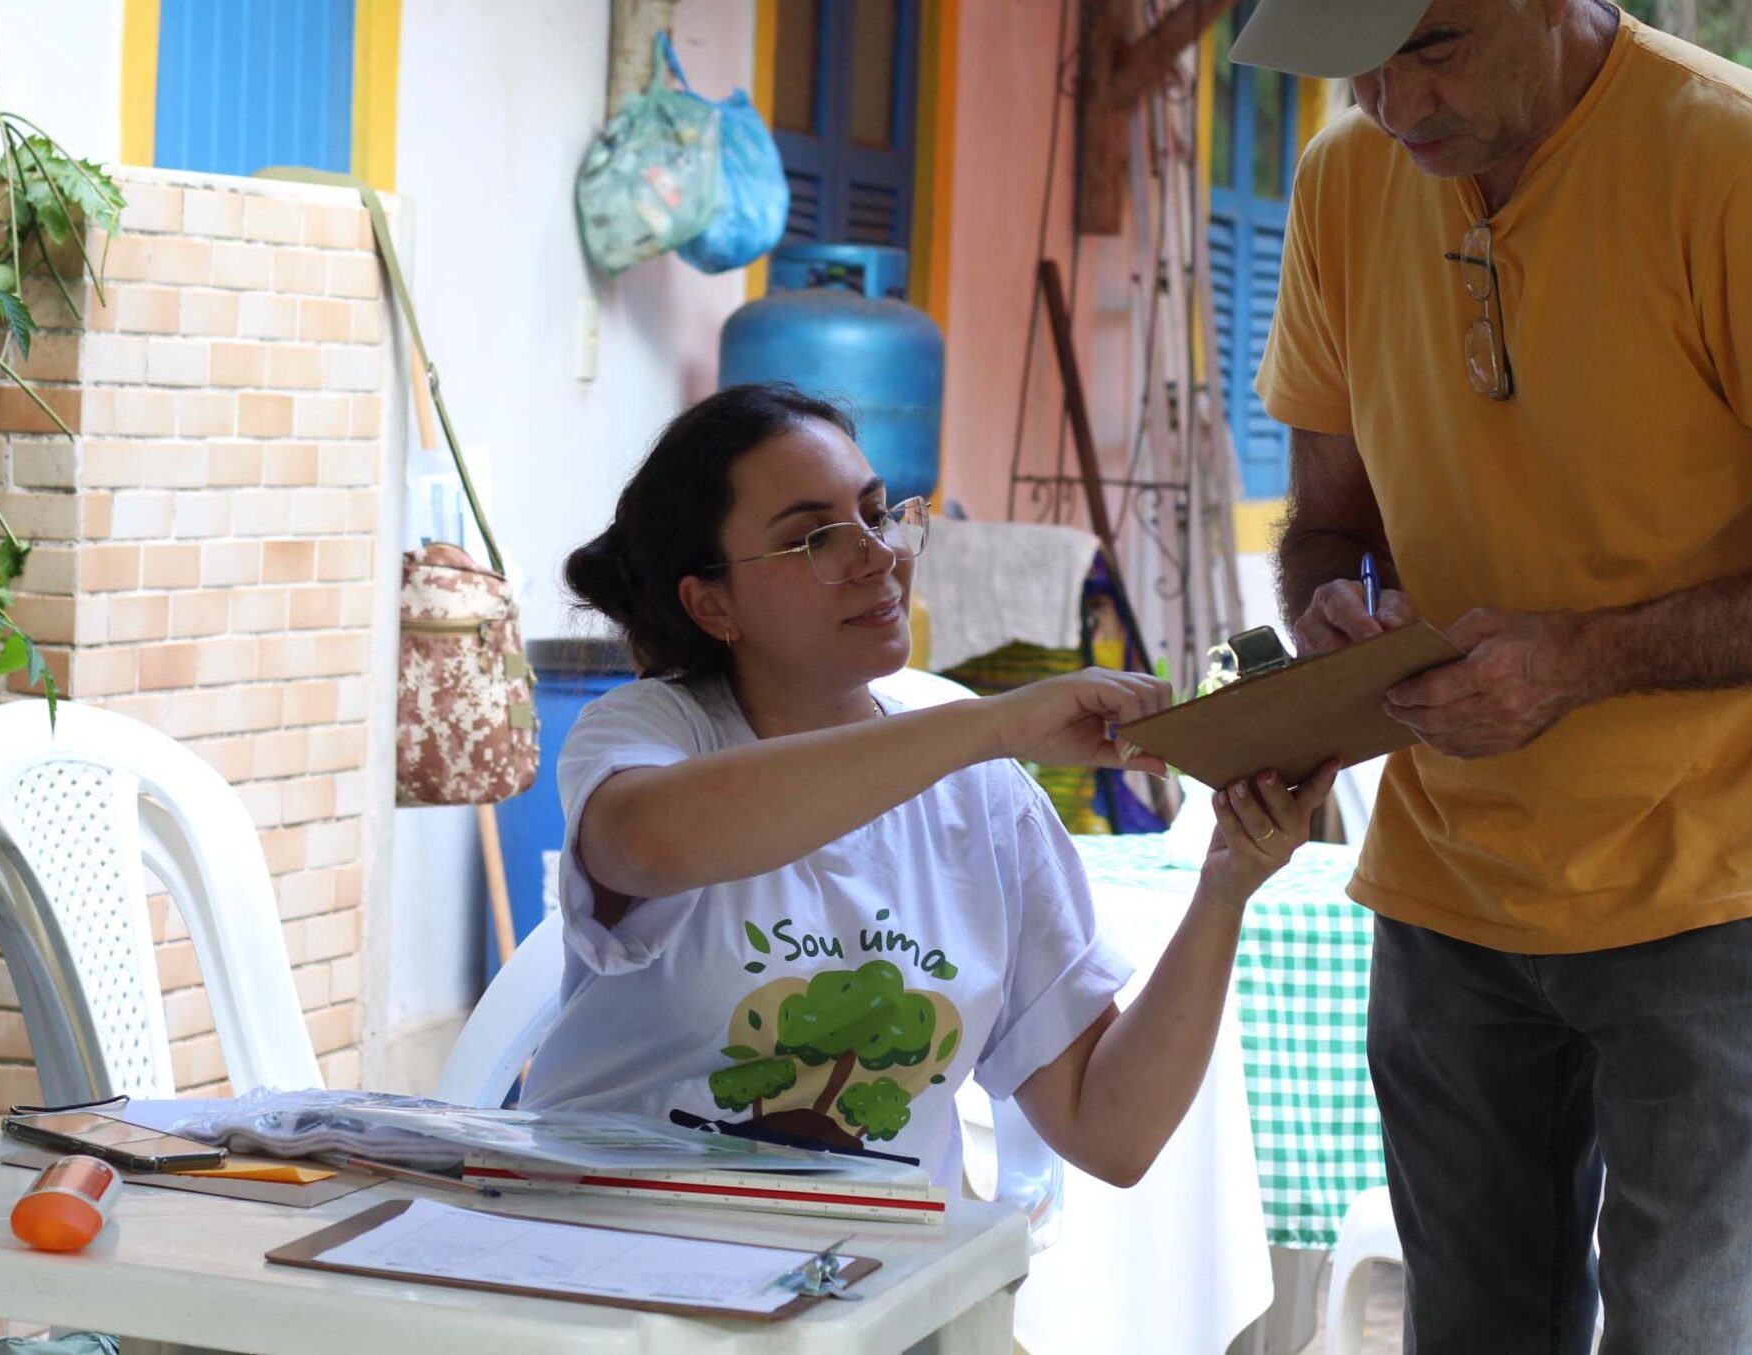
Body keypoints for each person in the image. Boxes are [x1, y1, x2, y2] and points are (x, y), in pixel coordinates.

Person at [1231, 0, 1752, 1352]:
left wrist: (1582, 659)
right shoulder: (1346, 183)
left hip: (1725, 883)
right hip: (1452, 879)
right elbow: (1327, 523)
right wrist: (1334, 608)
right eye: (1361, 58)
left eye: (1436, 45)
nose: (1396, 102)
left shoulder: (1744, 159)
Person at [519, 382, 1334, 1189]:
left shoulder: (980, 792)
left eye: (877, 514)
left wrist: (1225, 889)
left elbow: (1109, 1130)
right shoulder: (651, 731)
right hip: (617, 1240)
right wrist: (990, 726)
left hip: (865, 1265)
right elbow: (649, 843)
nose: (880, 556)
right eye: (814, 538)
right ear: (711, 603)